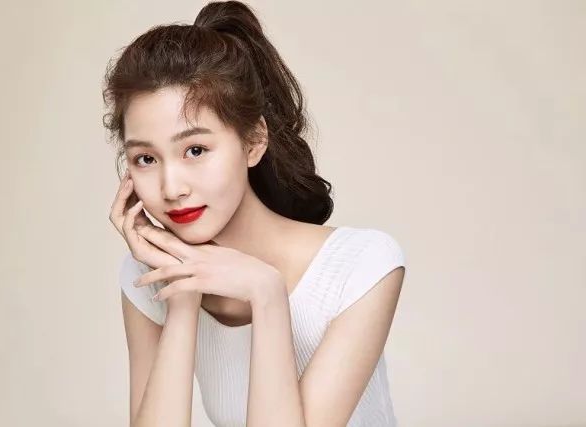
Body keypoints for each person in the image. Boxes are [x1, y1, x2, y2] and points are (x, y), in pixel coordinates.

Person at [104, 1, 406, 426]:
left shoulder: (359, 265)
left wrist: (266, 293)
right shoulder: (146, 275)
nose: (172, 189)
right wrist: (183, 294)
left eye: (195, 150)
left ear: (253, 142)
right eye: (146, 159)